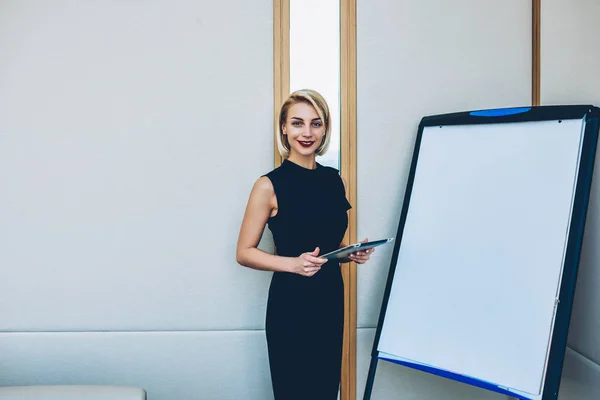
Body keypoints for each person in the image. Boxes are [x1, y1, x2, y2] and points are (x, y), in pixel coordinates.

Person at [236, 89, 374, 399]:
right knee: (294, 390)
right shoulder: (268, 185)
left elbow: (325, 245)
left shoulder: (334, 180)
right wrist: (292, 264)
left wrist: (350, 253)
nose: (307, 132)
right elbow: (243, 252)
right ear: (283, 128)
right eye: (297, 123)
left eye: (316, 123)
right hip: (291, 304)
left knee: (325, 389)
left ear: (326, 128)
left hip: (329, 299)